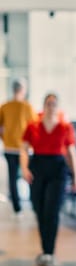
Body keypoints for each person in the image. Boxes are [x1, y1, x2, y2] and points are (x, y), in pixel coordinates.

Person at [19, 93, 76, 266]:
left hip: (57, 169)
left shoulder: (64, 127)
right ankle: (45, 247)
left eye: (54, 104)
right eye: (48, 103)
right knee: (39, 208)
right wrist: (24, 169)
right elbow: (24, 149)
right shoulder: (33, 126)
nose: (51, 107)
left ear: (58, 107)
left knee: (51, 211)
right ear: (44, 106)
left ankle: (49, 252)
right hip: (38, 166)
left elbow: (71, 153)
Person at [0, 78, 37, 217]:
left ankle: (17, 209)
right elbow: (35, 128)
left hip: (9, 147)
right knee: (29, 176)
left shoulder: (4, 106)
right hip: (25, 149)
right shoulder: (27, 107)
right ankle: (34, 205)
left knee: (12, 178)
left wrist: (5, 139)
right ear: (23, 90)